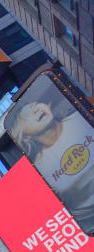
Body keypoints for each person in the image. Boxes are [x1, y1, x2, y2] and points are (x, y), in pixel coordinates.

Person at [7, 94, 94, 229]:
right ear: (25, 137)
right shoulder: (39, 171)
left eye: (35, 105)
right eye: (26, 116)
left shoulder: (81, 116)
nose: (35, 110)